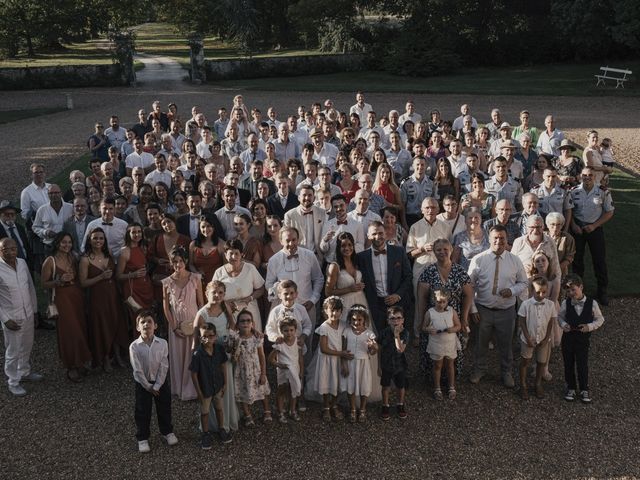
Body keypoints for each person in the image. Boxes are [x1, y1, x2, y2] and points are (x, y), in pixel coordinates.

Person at [468, 225, 528, 388]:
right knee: (481, 343)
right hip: (483, 310)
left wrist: (512, 290)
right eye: (495, 237)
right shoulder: (478, 259)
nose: (499, 241)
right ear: (489, 239)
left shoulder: (514, 260)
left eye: (502, 238)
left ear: (506, 239)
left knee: (506, 344)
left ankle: (506, 372)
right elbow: (469, 286)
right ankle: (479, 369)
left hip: (506, 311)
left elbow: (524, 282)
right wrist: (472, 308)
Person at [41, 232, 91, 382]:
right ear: (57, 243)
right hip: (62, 299)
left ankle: (80, 361)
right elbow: (44, 284)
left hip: (76, 297)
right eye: (63, 242)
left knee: (80, 329)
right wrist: (59, 281)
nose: (67, 245)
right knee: (69, 332)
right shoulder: (50, 261)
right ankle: (70, 366)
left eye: (69, 242)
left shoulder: (73, 257)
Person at [79, 227, 128, 371]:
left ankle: (117, 355)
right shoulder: (85, 259)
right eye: (95, 238)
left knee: (116, 323)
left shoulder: (110, 254)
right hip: (97, 297)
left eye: (101, 238)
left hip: (113, 295)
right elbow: (83, 283)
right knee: (102, 326)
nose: (98, 241)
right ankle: (105, 357)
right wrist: (101, 277)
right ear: (89, 240)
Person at [194, 281, 240, 433]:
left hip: (224, 353)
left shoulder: (225, 307)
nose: (217, 295)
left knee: (225, 386)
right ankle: (210, 426)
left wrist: (233, 345)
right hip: (208, 356)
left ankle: (224, 422)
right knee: (211, 386)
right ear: (207, 293)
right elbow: (196, 342)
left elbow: (233, 327)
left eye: (220, 292)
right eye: (214, 292)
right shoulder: (202, 314)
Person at [129, 311, 177, 453]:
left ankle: (167, 431)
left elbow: (164, 365)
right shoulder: (134, 346)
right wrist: (148, 386)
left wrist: (157, 384)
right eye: (142, 322)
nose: (146, 324)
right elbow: (137, 369)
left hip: (160, 382)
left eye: (149, 321)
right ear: (137, 327)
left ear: (155, 325)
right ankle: (142, 438)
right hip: (143, 384)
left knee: (164, 407)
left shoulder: (162, 343)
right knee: (143, 410)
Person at [0, 238, 41, 396]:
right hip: (12, 317)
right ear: (0, 251)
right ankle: (13, 381)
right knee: (13, 351)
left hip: (28, 313)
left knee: (27, 345)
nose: (10, 252)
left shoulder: (22, 263)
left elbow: (30, 286)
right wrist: (5, 319)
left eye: (13, 249)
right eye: (6, 249)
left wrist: (35, 310)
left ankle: (24, 371)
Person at [161, 245, 203, 401]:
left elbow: (201, 304)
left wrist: (198, 326)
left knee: (193, 356)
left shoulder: (195, 278)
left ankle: (193, 389)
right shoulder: (166, 282)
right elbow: (165, 307)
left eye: (180, 261)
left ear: (185, 260)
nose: (178, 264)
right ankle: (179, 389)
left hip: (193, 322)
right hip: (177, 324)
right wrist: (174, 327)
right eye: (174, 262)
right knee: (178, 357)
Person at [569, 167, 614, 306]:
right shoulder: (573, 191)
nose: (587, 177)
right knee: (577, 261)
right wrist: (573, 225)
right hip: (578, 230)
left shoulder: (602, 191)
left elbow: (609, 212)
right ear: (580, 176)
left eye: (590, 175)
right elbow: (569, 209)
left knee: (599, 260)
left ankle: (602, 291)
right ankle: (577, 291)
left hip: (595, 229)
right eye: (584, 175)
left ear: (594, 177)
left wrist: (594, 225)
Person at [557, 274, 605, 404]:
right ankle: (571, 387)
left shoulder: (592, 303)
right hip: (568, 339)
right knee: (568, 363)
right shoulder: (565, 303)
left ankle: (584, 388)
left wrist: (589, 326)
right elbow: (560, 317)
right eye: (568, 291)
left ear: (581, 287)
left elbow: (600, 319)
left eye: (573, 289)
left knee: (582, 364)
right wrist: (563, 325)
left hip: (583, 340)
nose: (571, 293)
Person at [265, 226, 324, 322]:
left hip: (307, 306)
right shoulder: (274, 260)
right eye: (287, 240)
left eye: (294, 240)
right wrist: (277, 291)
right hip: (284, 308)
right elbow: (268, 284)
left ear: (298, 239)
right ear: (281, 241)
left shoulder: (309, 255)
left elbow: (318, 279)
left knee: (307, 336)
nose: (291, 243)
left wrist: (312, 300)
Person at [309, 296, 351, 422]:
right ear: (325, 311)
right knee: (327, 384)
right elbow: (323, 348)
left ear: (341, 312)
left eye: (338, 311)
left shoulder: (344, 325)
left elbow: (344, 343)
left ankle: (334, 405)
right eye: (332, 310)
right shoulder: (324, 327)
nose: (335, 313)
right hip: (327, 360)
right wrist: (341, 353)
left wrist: (343, 361)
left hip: (338, 361)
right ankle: (326, 406)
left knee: (338, 385)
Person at [190, 322, 231, 448]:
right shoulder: (197, 354)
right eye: (204, 336)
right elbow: (193, 374)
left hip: (217, 385)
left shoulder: (219, 349)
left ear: (215, 335)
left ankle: (221, 429)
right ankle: (205, 434)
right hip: (205, 388)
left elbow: (223, 365)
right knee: (205, 412)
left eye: (211, 336)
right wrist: (199, 392)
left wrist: (225, 383)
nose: (207, 339)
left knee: (219, 408)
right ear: (200, 337)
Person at [517, 276, 556, 400]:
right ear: (532, 290)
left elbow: (551, 322)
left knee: (541, 362)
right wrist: (528, 338)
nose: (541, 294)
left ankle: (537, 383)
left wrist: (546, 339)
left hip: (543, 339)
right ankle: (523, 385)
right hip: (528, 339)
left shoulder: (550, 305)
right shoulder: (526, 304)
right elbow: (521, 322)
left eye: (544, 292)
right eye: (538, 291)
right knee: (525, 361)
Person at [231, 310, 270, 425]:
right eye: (242, 321)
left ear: (252, 323)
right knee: (243, 392)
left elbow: (262, 356)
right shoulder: (236, 339)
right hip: (241, 371)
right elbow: (234, 358)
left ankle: (267, 411)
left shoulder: (257, 338)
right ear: (238, 324)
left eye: (248, 321)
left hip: (256, 370)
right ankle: (247, 414)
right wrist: (235, 348)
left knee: (262, 391)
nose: (245, 323)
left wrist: (263, 373)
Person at [340, 304, 378, 422]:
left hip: (363, 363)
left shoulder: (369, 334)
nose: (356, 322)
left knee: (364, 385)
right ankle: (352, 409)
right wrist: (344, 364)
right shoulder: (346, 332)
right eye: (354, 319)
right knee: (350, 386)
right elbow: (344, 349)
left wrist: (373, 347)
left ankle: (362, 409)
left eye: (359, 320)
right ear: (350, 319)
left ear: (365, 319)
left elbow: (372, 352)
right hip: (350, 363)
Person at [422, 288, 461, 400]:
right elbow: (423, 327)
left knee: (450, 365)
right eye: (439, 301)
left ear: (447, 301)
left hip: (449, 343)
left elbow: (458, 326)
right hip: (436, 344)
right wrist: (429, 330)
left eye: (444, 301)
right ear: (434, 300)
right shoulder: (430, 313)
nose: (441, 304)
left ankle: (451, 387)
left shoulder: (451, 311)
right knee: (437, 365)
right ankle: (437, 388)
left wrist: (452, 329)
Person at [116, 223, 154, 330]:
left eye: (139, 232)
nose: (137, 234)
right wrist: (134, 274)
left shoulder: (142, 248)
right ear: (128, 234)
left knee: (148, 318)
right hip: (133, 291)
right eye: (133, 232)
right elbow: (118, 276)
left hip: (146, 289)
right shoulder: (125, 251)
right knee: (137, 319)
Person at [269, 317, 304, 423]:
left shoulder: (297, 343)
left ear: (295, 330)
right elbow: (270, 359)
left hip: (295, 369)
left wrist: (301, 371)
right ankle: (280, 412)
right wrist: (279, 365)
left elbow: (300, 358)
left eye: (291, 330)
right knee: (282, 390)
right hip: (283, 370)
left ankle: (292, 410)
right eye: (286, 330)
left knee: (294, 390)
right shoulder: (280, 344)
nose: (289, 333)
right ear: (281, 331)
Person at [377, 305, 409, 420]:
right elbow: (379, 349)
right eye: (392, 318)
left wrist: (396, 335)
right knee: (385, 386)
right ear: (388, 321)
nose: (396, 321)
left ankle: (400, 404)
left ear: (403, 320)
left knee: (400, 386)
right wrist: (378, 366)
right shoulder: (383, 333)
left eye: (398, 318)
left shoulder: (405, 333)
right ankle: (385, 405)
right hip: (386, 364)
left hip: (400, 365)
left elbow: (400, 349)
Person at [284, 184, 327, 255]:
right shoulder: (289, 215)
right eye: (304, 195)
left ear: (314, 198)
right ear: (299, 198)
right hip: (297, 255)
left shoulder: (322, 213)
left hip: (317, 256)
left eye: (310, 195)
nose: (307, 198)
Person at [189, 214, 224, 287]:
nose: (206, 229)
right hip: (198, 283)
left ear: (214, 227)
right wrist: (196, 273)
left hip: (217, 284)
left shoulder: (221, 244)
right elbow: (190, 264)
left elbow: (225, 265)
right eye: (203, 227)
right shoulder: (193, 245)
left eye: (208, 226)